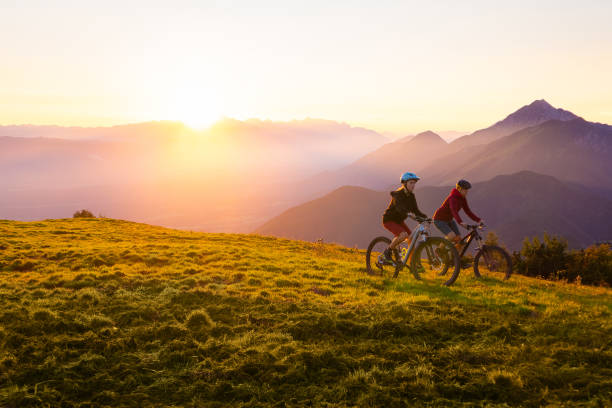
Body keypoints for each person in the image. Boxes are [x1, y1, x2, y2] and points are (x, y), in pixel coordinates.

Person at [379, 172, 428, 265]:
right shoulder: (398, 195)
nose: (413, 185)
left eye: (414, 183)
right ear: (404, 183)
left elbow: (416, 211)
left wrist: (426, 218)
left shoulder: (411, 196)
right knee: (403, 235)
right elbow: (399, 208)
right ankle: (387, 253)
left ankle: (412, 264)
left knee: (411, 239)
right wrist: (408, 213)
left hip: (398, 221)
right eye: (411, 183)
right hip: (389, 220)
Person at [433, 179, 484, 250]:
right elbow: (454, 211)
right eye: (465, 190)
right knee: (451, 236)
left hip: (449, 220)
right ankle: (439, 250)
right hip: (439, 219)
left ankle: (455, 259)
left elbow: (468, 211)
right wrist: (461, 222)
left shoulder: (462, 199)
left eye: (467, 190)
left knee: (459, 240)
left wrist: (478, 220)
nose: (467, 192)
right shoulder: (452, 198)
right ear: (459, 189)